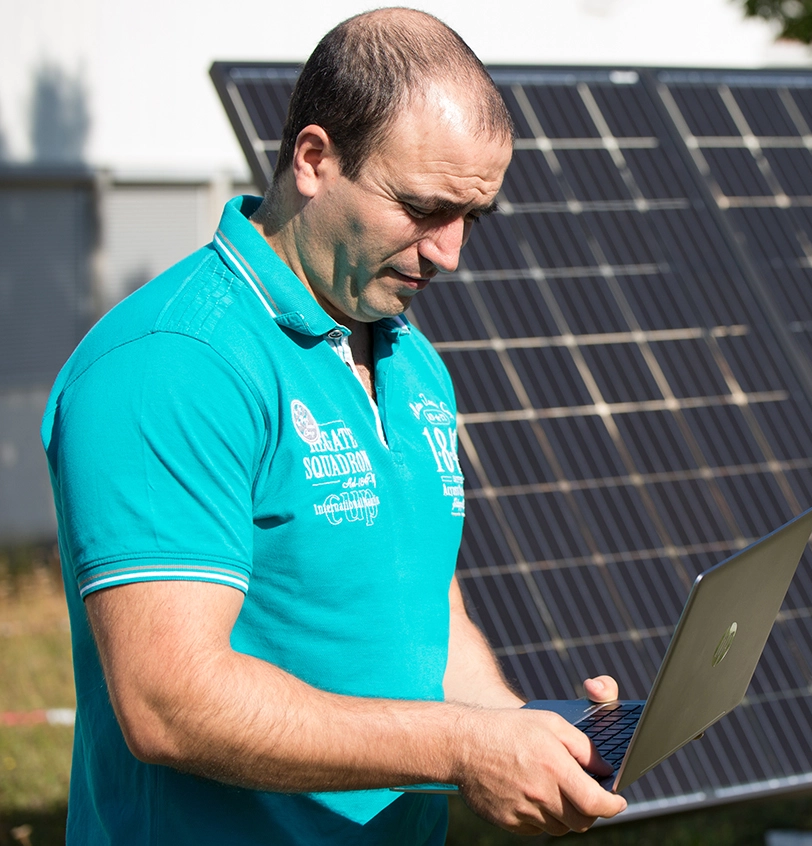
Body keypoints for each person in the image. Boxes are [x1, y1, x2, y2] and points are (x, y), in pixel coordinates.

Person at [40, 8, 626, 843]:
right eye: (423, 207)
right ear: (314, 160)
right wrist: (465, 748)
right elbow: (167, 701)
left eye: (474, 216)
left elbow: (427, 620)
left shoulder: (408, 356)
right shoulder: (172, 361)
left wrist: (531, 736)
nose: (451, 252)